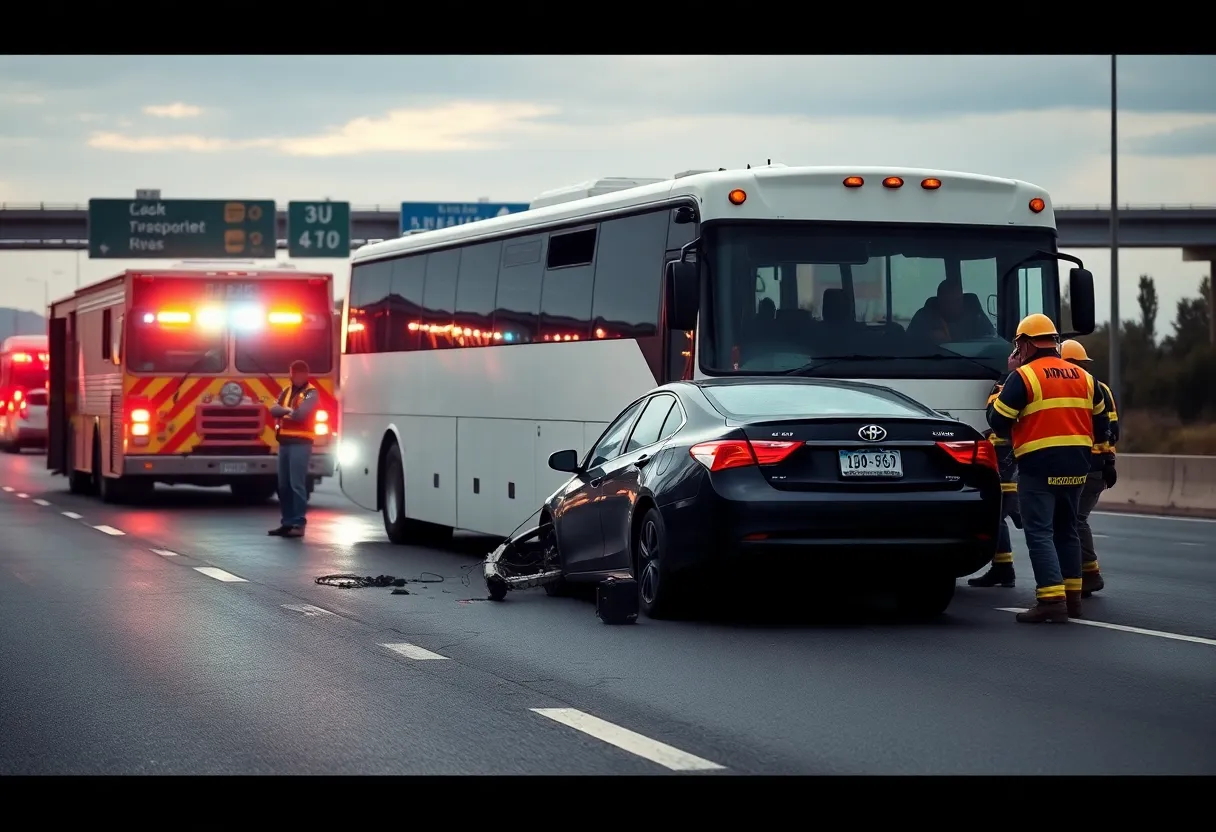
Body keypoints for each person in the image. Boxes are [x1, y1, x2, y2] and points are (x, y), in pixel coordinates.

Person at [986, 313, 1108, 623]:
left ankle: (1051, 599)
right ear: (1053, 342)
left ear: (1025, 345)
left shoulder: (1024, 377)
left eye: (1019, 346)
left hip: (1039, 466)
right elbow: (1103, 424)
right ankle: (1072, 599)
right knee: (1066, 530)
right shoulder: (1084, 377)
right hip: (1078, 465)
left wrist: (1007, 376)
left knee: (1040, 532)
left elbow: (997, 420)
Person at [1060, 339, 1119, 596]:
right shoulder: (1101, 388)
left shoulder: (1074, 388)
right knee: (1073, 519)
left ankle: (1090, 574)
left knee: (1074, 520)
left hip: (1085, 465)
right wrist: (1109, 460)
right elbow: (1112, 430)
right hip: (1096, 465)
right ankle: (1080, 574)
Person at [968, 349, 1023, 588]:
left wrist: (1005, 375)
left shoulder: (1019, 381)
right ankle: (1003, 568)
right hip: (1013, 463)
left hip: (1008, 464)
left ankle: (1004, 569)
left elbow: (996, 413)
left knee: (998, 516)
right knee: (1000, 517)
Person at [267, 359, 320, 538]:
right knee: (283, 485)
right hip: (285, 443)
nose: (295, 377)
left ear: (305, 375)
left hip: (301, 443)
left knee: (297, 484)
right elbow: (273, 410)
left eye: (298, 374)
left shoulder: (311, 393)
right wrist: (288, 410)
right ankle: (287, 522)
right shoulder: (286, 391)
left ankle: (298, 523)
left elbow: (301, 414)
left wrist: (285, 410)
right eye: (293, 373)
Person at [908, 280, 995, 344]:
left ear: (962, 300)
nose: (952, 306)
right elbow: (908, 347)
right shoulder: (923, 318)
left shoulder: (977, 318)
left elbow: (991, 342)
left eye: (956, 301)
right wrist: (928, 339)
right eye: (947, 301)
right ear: (939, 301)